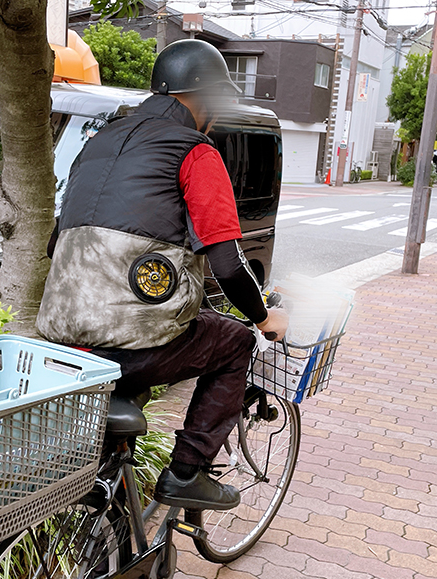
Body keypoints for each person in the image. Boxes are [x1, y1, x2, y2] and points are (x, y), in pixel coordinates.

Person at [37, 40, 289, 511]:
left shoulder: (98, 144)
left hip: (63, 340)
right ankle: (187, 473)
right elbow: (229, 264)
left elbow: (57, 245)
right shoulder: (195, 151)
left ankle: (110, 528)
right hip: (130, 345)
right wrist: (261, 317)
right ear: (205, 99)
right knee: (234, 343)